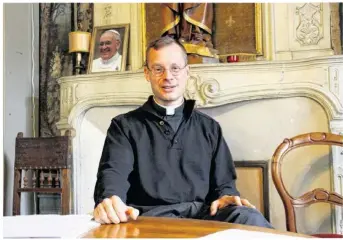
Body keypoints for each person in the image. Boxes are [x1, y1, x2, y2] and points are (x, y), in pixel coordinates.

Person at [93, 36, 273, 229]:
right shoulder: (124, 126)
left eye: (175, 68)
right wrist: (110, 200)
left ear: (187, 72)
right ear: (147, 73)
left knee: (248, 217)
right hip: (148, 220)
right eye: (158, 69)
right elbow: (113, 175)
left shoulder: (209, 127)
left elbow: (224, 184)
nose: (167, 76)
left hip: (201, 216)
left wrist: (225, 196)